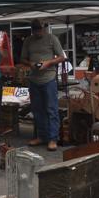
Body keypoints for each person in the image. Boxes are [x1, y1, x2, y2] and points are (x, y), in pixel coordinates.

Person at [20, 19, 66, 151]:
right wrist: (31, 64)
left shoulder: (52, 38)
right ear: (32, 30)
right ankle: (41, 136)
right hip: (34, 79)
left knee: (51, 110)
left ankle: (53, 139)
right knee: (37, 110)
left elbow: (62, 57)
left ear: (44, 28)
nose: (38, 32)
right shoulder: (28, 41)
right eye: (35, 30)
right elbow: (22, 58)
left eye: (40, 29)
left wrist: (48, 63)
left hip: (49, 79)